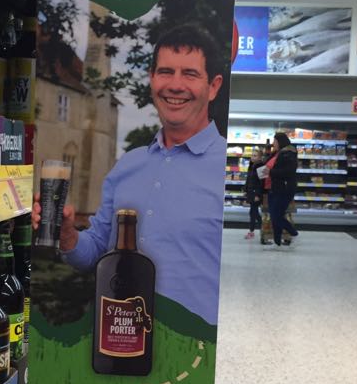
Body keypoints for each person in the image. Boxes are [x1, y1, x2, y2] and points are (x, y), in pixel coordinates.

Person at [32, 24, 226, 325]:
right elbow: (95, 251)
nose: (175, 85)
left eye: (190, 74)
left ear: (213, 86)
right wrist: (67, 234)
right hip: (119, 337)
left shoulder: (227, 168)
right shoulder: (127, 166)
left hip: (195, 344)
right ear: (152, 79)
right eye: (165, 72)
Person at [264, 132, 298, 248]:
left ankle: (293, 232)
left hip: (284, 188)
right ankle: (277, 242)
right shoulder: (276, 153)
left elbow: (289, 172)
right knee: (275, 216)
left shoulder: (289, 154)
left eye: (275, 141)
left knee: (276, 216)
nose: (273, 143)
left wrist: (271, 172)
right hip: (272, 187)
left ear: (280, 142)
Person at [244, 150, 265, 239]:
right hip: (251, 192)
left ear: (260, 157)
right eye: (252, 155)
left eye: (255, 155)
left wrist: (258, 195)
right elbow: (248, 180)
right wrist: (245, 190)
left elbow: (262, 183)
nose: (252, 157)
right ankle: (262, 229)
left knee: (253, 213)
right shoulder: (251, 166)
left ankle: (256, 230)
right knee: (253, 212)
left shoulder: (262, 167)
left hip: (256, 194)